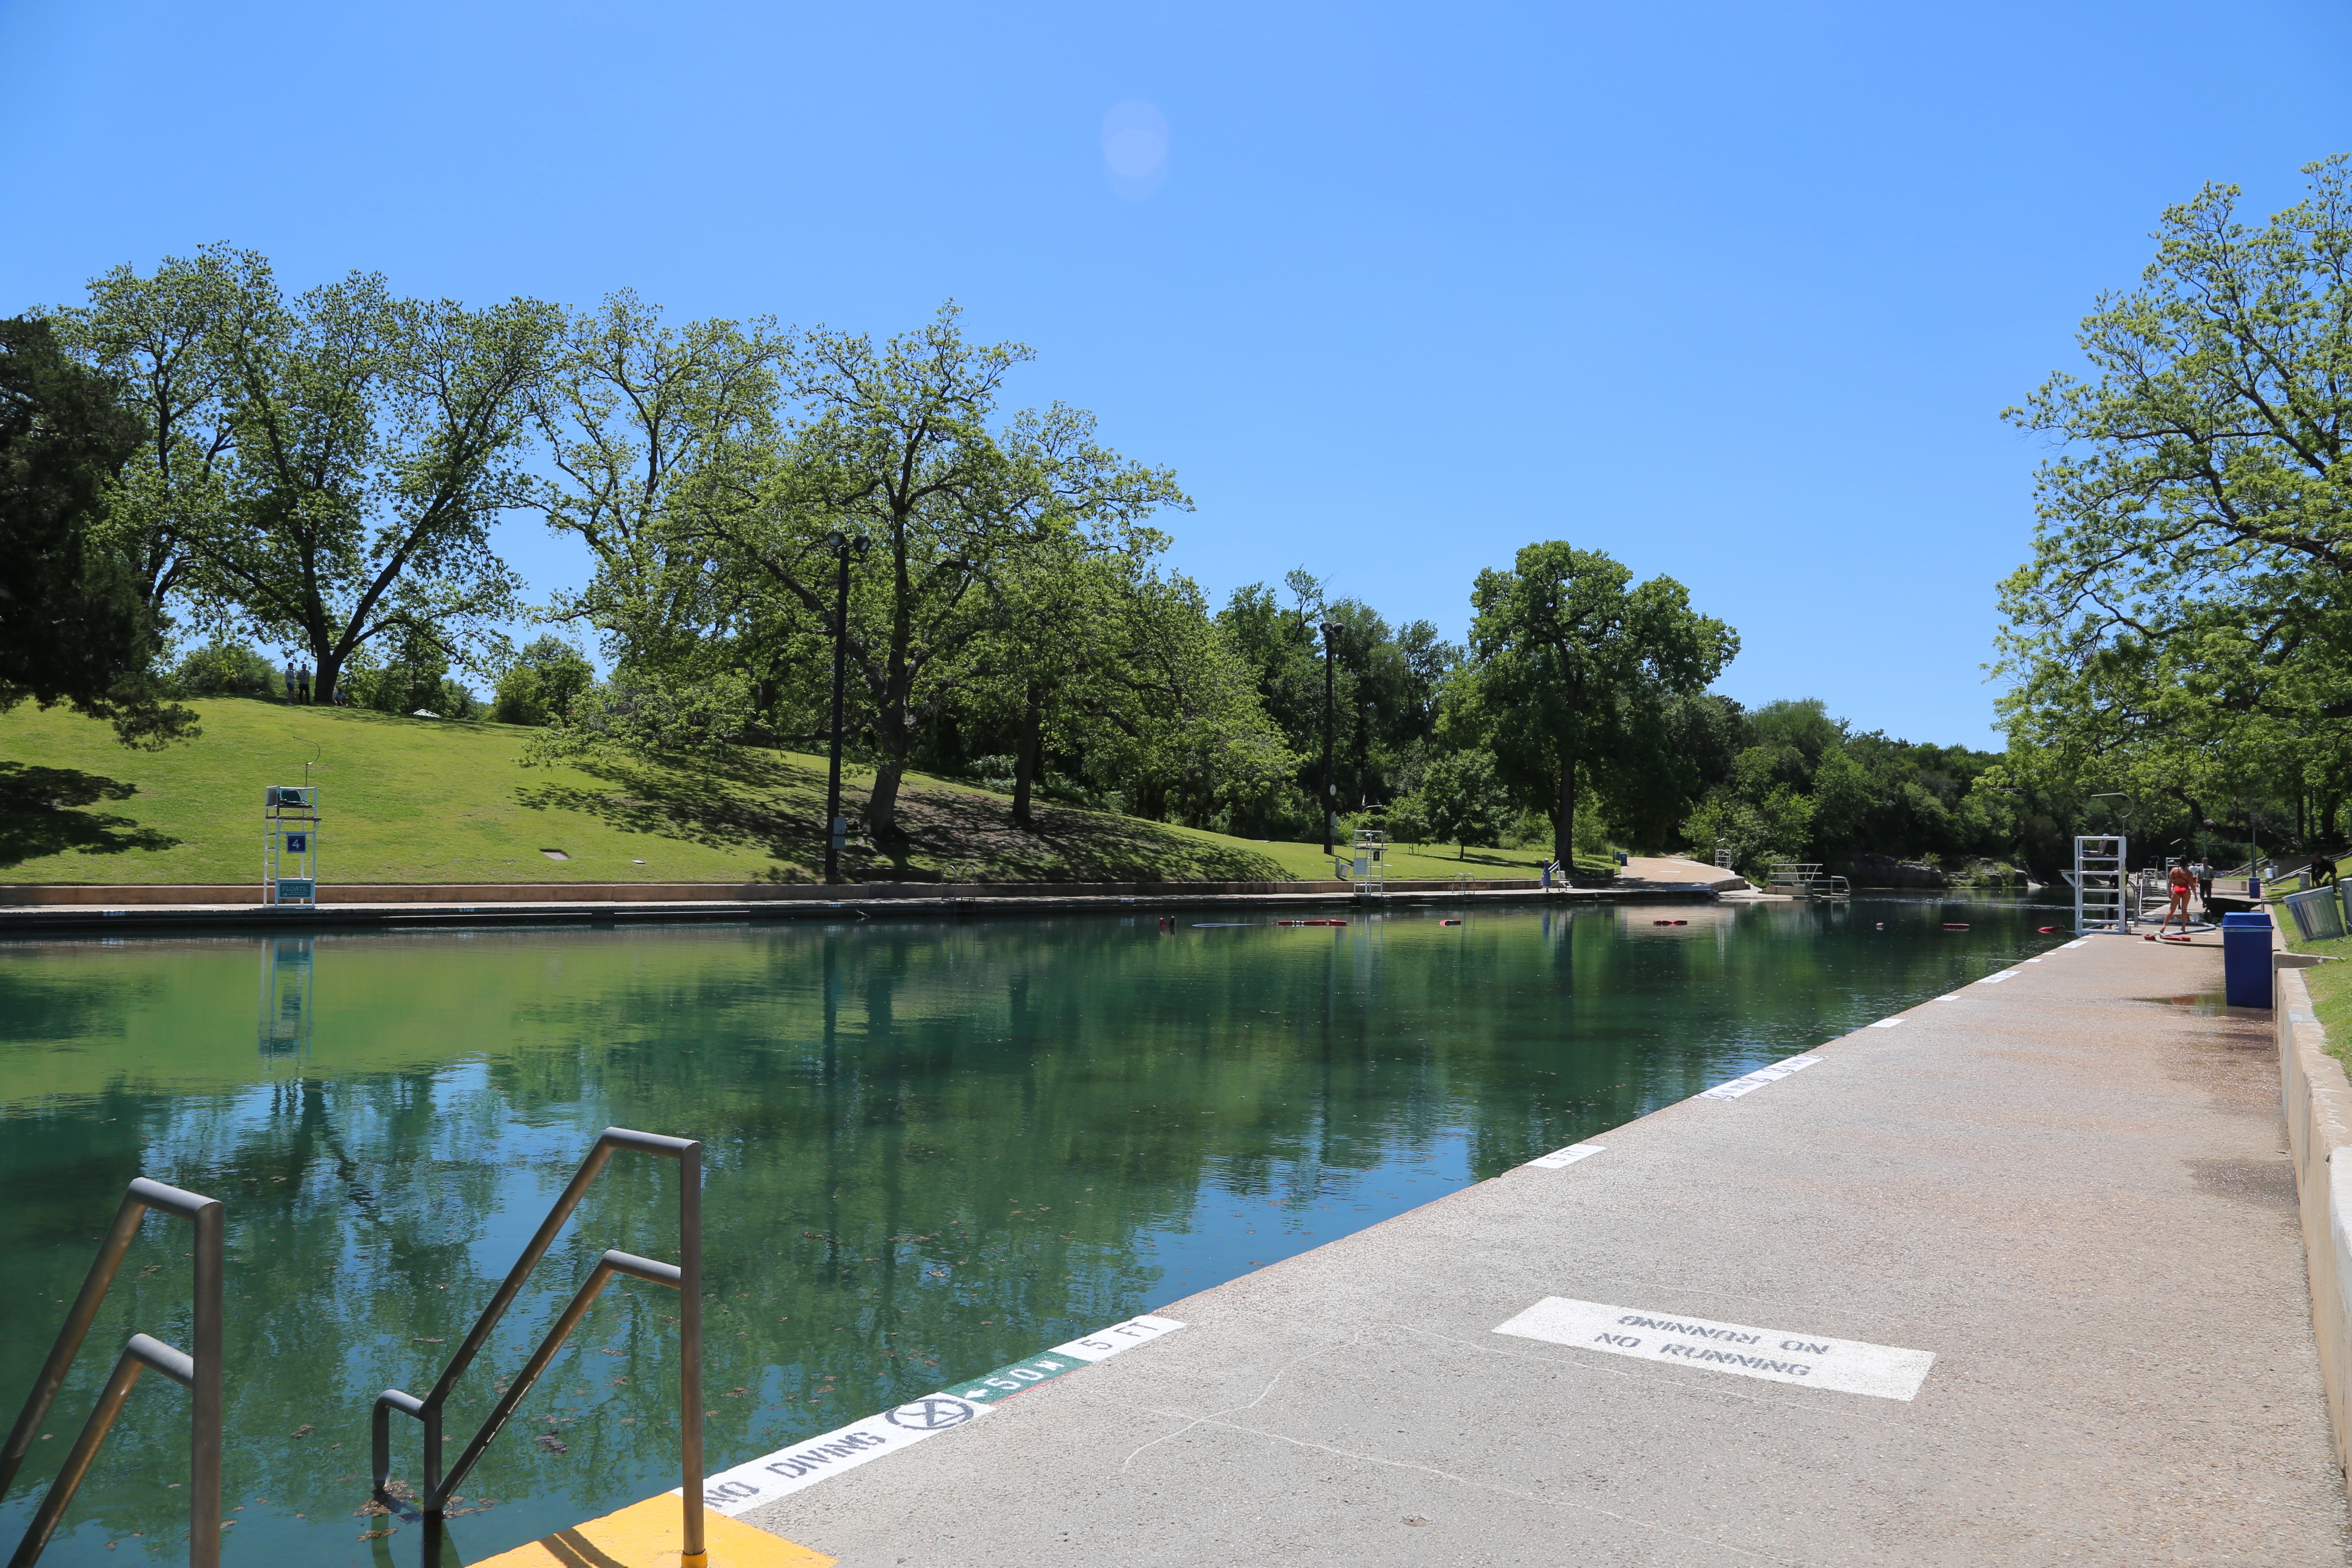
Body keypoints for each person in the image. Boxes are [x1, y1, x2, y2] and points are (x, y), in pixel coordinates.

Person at [2162, 858, 2194, 936]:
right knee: (2184, 910)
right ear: (2187, 864)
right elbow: (2192, 885)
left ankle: (2164, 926)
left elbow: (2170, 883)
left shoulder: (2174, 870)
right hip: (2186, 889)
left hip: (2176, 889)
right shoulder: (2189, 873)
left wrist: (2169, 892)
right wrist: (2196, 895)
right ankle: (2183, 928)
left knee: (2172, 910)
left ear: (2179, 863)